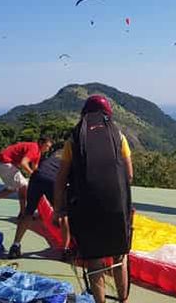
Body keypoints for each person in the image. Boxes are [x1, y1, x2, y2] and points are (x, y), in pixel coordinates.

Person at [54, 95, 133, 303]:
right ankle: (123, 300)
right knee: (119, 255)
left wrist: (58, 209)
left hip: (87, 207)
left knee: (94, 259)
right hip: (117, 206)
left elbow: (61, 179)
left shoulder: (74, 139)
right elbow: (129, 175)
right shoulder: (119, 136)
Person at [7, 149, 72, 260]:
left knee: (29, 211)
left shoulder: (59, 152)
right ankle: (66, 250)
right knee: (63, 214)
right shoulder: (74, 156)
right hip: (53, 180)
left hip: (37, 177)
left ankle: (15, 246)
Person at [0, 137, 53, 217]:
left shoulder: (38, 152)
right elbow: (23, 163)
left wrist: (40, 177)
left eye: (49, 147)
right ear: (41, 143)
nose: (48, 149)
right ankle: (23, 213)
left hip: (1, 162)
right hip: (3, 162)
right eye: (47, 146)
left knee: (12, 188)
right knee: (24, 185)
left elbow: (35, 168)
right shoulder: (34, 148)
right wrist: (34, 175)